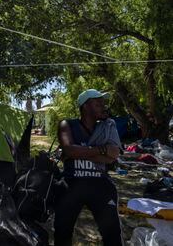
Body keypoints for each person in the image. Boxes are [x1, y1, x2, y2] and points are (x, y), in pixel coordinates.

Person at [54, 89, 123, 246]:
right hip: (72, 185)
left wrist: (79, 151)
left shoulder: (106, 128)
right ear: (85, 106)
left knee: (113, 235)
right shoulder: (67, 125)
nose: (103, 106)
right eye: (98, 103)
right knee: (62, 233)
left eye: (103, 103)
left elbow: (113, 155)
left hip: (101, 185)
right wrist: (102, 150)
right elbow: (69, 149)